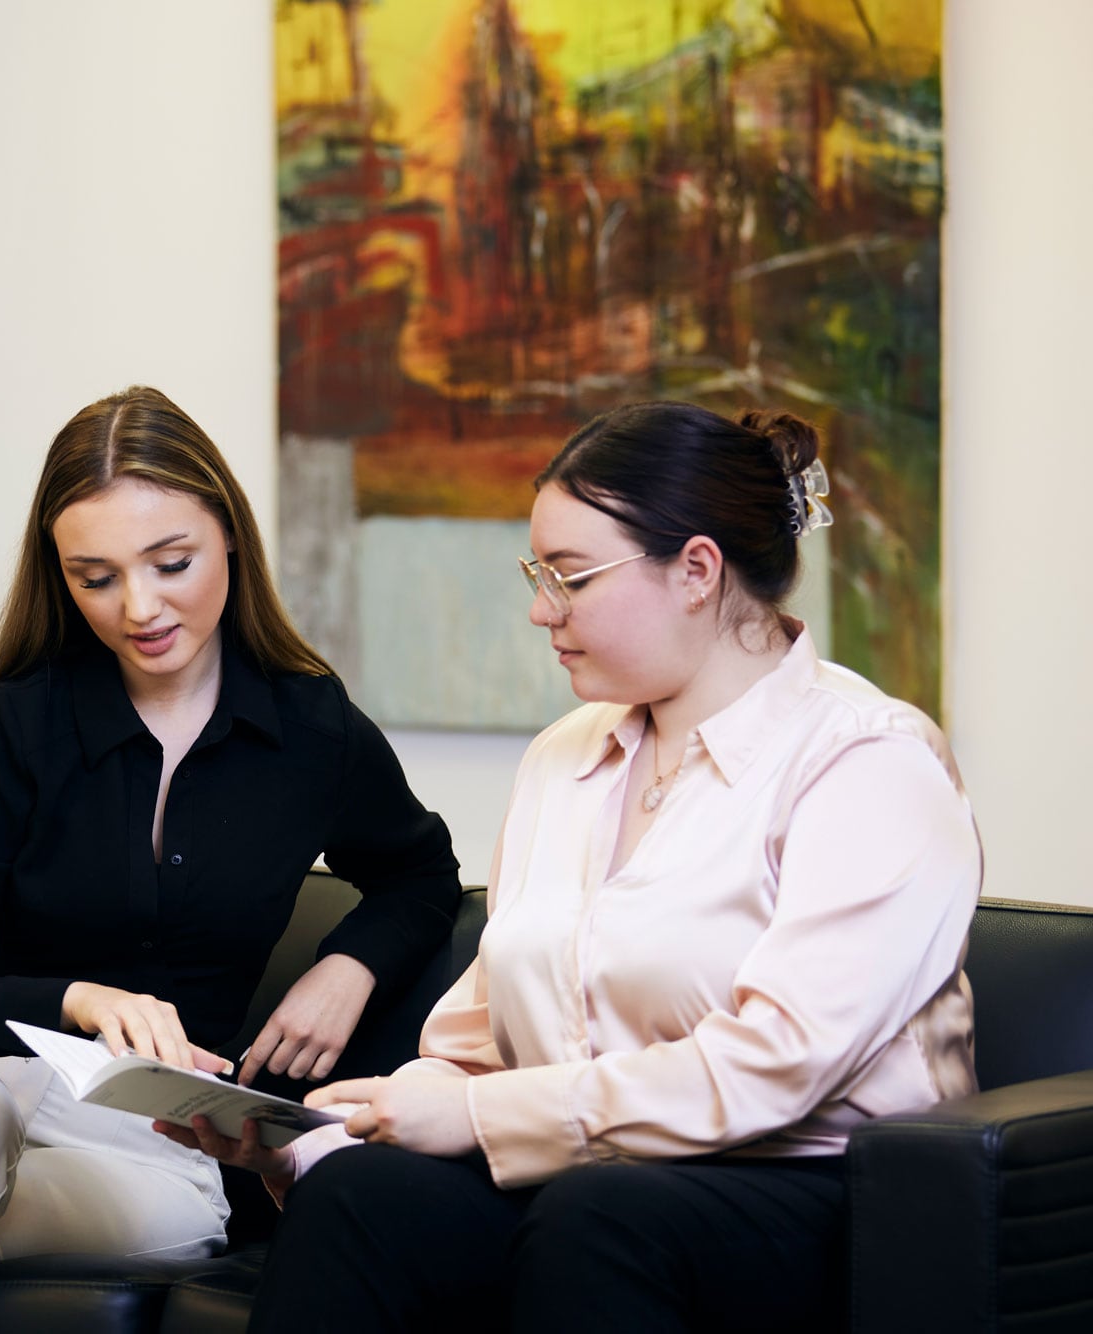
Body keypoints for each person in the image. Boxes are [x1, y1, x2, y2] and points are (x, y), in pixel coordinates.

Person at [162, 401, 981, 1332]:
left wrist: (481, 1120)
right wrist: (329, 1131)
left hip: (813, 1193)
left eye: (571, 577)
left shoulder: (870, 762)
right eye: (537, 573)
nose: (540, 609)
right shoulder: (565, 758)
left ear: (698, 572)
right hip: (586, 1181)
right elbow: (473, 1047)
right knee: (359, 1195)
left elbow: (775, 1068)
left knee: (597, 1220)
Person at [0, 385, 461, 1333]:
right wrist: (79, 1001)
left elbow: (421, 872)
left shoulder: (310, 728)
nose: (140, 607)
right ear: (60, 576)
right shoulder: (13, 726)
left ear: (232, 536)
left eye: (172, 563)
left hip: (142, 1149)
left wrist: (349, 964)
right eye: (96, 578)